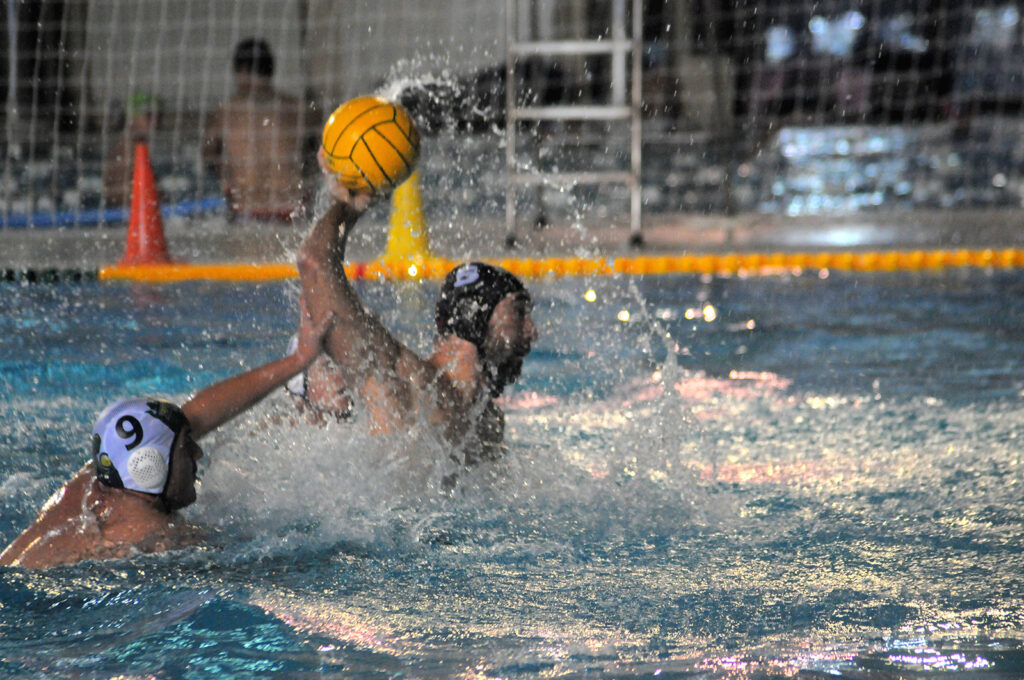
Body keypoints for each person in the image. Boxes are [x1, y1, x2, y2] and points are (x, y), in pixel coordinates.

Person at [0, 302, 333, 570]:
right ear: (149, 467)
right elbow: (268, 564)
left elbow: (199, 412)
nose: (198, 454)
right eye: (187, 446)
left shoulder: (90, 487)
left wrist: (298, 361)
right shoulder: (162, 538)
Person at [297, 151, 537, 479]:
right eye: (518, 312)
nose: (532, 331)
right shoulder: (404, 382)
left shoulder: (488, 423)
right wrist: (347, 206)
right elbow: (313, 262)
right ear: (475, 314)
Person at [202, 38, 317, 222]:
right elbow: (315, 158)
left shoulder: (222, 113)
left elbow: (208, 158)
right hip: (292, 210)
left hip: (246, 210)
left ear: (243, 70)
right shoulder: (300, 109)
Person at [102, 91, 160, 207]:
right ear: (132, 118)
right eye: (149, 116)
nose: (155, 122)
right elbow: (118, 194)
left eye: (158, 117)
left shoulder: (140, 145)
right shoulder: (124, 149)